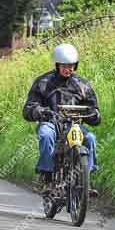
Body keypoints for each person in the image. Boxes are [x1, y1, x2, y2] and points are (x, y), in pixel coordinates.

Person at [23, 43, 101, 195]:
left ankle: (86, 181)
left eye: (72, 65)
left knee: (90, 138)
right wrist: (41, 112)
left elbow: (94, 109)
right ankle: (47, 178)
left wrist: (94, 115)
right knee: (45, 135)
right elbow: (29, 108)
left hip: (74, 126)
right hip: (51, 124)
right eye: (65, 65)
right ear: (57, 65)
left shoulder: (82, 85)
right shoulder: (43, 83)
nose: (69, 69)